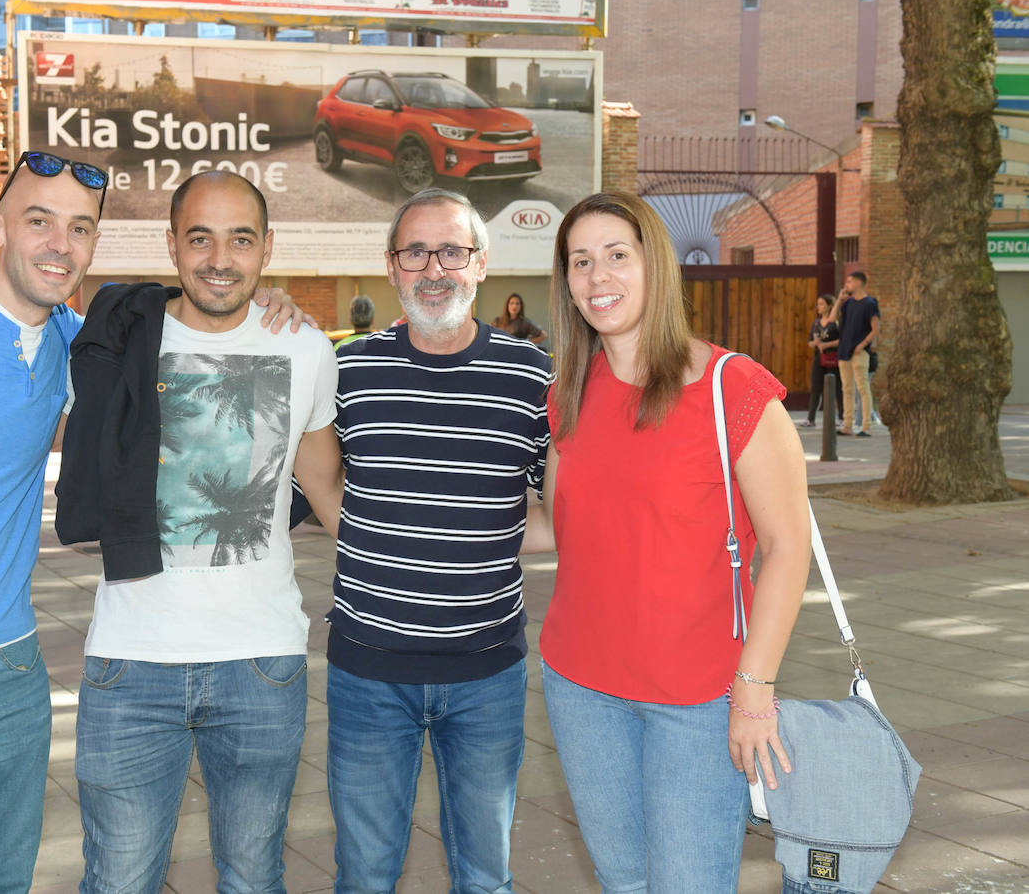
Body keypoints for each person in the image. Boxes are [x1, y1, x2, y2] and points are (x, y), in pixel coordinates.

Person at [0, 152, 306, 893]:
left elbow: (197, 322)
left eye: (80, 229)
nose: (59, 246)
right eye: (39, 222)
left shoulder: (81, 344)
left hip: (10, 675)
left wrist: (268, 306)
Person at [524, 192, 810, 892]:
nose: (598, 278)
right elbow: (566, 528)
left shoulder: (731, 388)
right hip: (581, 686)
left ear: (656, 264)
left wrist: (754, 691)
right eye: (580, 262)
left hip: (698, 699)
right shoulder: (568, 394)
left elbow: (786, 548)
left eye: (617, 256)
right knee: (623, 881)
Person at [69, 171, 343, 894]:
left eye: (240, 239)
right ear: (171, 245)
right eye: (200, 238)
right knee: (119, 880)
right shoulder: (113, 341)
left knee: (253, 878)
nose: (220, 258)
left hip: (261, 661)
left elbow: (327, 490)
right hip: (130, 662)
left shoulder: (309, 352)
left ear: (267, 249)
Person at [326, 189, 553, 893]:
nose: (434, 267)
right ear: (391, 267)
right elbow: (320, 487)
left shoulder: (531, 377)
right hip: (367, 672)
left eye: (452, 250)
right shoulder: (348, 372)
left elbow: (565, 511)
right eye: (416, 251)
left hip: (486, 673)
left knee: (485, 878)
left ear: (481, 265)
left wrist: (480, 538)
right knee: (365, 877)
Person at [829, 270, 881, 437]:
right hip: (844, 352)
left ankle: (866, 426)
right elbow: (831, 319)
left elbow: (876, 329)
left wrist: (863, 345)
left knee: (863, 389)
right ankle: (847, 425)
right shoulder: (848, 304)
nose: (847, 284)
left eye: (850, 281)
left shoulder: (870, 303)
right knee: (847, 389)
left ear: (858, 283)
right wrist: (839, 299)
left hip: (859, 352)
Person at [802, 293, 842, 427]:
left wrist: (827, 345)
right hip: (819, 358)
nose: (818, 306)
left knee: (837, 388)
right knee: (815, 388)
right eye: (818, 304)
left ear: (829, 305)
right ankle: (810, 419)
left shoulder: (836, 322)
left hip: (833, 358)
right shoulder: (815, 323)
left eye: (821, 304)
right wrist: (816, 343)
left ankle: (841, 417)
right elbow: (810, 343)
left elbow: (842, 340)